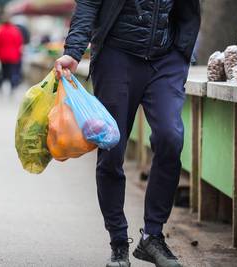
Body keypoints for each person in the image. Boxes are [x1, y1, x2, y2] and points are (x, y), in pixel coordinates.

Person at [54, 1, 200, 267]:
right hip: (117, 57)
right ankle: (118, 242)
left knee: (171, 137)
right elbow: (87, 5)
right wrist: (73, 52)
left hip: (165, 59)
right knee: (111, 149)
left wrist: (182, 54)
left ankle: (153, 237)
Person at [0, 15, 23, 92]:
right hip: (13, 55)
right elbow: (19, 43)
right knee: (11, 71)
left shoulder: (0, 30)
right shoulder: (15, 31)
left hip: (2, 55)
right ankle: (12, 86)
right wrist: (19, 54)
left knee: (2, 71)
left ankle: (0, 86)